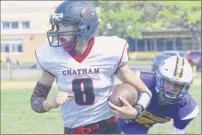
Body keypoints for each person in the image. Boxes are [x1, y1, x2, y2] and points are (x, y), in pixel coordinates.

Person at [30, 1, 152, 134]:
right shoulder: (51, 55)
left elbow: (144, 91)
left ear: (85, 27)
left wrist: (135, 111)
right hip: (73, 130)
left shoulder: (109, 50)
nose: (59, 30)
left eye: (65, 25)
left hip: (107, 128)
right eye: (58, 25)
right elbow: (36, 101)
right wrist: (51, 103)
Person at [116, 56, 199, 134]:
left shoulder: (186, 107)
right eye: (169, 81)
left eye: (178, 84)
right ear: (159, 78)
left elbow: (177, 132)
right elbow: (114, 97)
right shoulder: (142, 82)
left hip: (137, 128)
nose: (172, 88)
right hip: (114, 121)